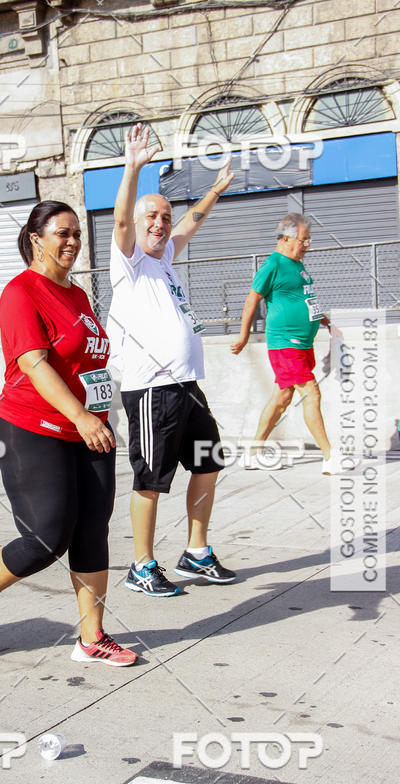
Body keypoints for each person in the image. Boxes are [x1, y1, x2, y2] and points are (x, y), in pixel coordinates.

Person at [0, 201, 138, 666]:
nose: (72, 241)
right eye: (62, 233)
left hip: (88, 429)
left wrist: (96, 415)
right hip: (29, 427)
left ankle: (91, 638)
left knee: (93, 531)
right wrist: (80, 416)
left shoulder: (77, 295)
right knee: (47, 537)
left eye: (76, 234)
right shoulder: (20, 292)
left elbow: (86, 362)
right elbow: (34, 364)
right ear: (36, 239)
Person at [106, 123, 237, 598]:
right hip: (151, 390)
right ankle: (141, 565)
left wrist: (216, 189)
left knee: (208, 462)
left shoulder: (165, 260)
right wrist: (132, 169)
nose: (160, 224)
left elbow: (190, 223)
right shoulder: (131, 262)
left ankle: (195, 553)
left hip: (187, 386)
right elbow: (121, 223)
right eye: (151, 218)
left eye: (164, 217)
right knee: (151, 479)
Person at [230, 213, 335, 474]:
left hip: (302, 343)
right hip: (285, 343)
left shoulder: (298, 265)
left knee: (281, 398)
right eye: (304, 240)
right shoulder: (273, 264)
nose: (308, 245)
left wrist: (326, 321)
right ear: (286, 238)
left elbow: (303, 299)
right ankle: (331, 456)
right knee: (312, 392)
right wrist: (244, 335)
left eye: (309, 239)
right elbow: (252, 299)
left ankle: (253, 453)